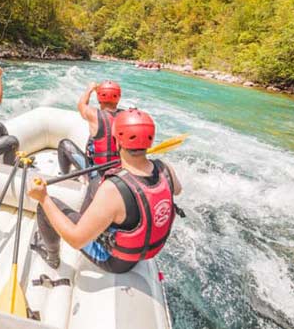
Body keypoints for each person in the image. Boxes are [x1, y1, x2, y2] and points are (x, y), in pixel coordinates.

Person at [28, 109, 182, 274]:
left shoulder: (112, 190)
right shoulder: (165, 169)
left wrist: (43, 198)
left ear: (116, 142)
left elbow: (76, 240)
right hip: (142, 250)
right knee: (95, 183)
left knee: (45, 208)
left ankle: (52, 257)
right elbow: (177, 190)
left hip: (113, 260)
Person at [57, 80, 122, 175]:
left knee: (64, 144)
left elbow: (81, 105)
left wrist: (89, 89)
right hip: (119, 170)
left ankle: (65, 176)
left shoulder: (93, 115)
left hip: (97, 173)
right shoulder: (126, 116)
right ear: (118, 97)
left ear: (99, 97)